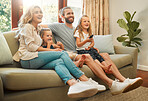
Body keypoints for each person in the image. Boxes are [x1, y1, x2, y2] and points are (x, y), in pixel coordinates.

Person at [41, 6, 143, 95]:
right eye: (68, 13)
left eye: (72, 13)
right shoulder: (57, 26)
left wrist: (93, 47)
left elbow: (84, 41)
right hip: (71, 54)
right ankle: (111, 84)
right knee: (88, 56)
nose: (71, 15)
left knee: (105, 54)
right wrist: (53, 44)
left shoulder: (77, 29)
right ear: (62, 16)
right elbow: (41, 28)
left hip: (80, 51)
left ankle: (124, 80)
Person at [12, 5, 108, 98]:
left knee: (59, 62)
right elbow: (31, 47)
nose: (40, 14)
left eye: (40, 12)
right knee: (61, 53)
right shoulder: (27, 27)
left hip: (35, 58)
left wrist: (53, 46)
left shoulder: (38, 28)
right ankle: (84, 79)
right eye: (36, 12)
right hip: (27, 59)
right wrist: (51, 50)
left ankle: (73, 84)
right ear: (30, 15)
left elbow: (39, 43)